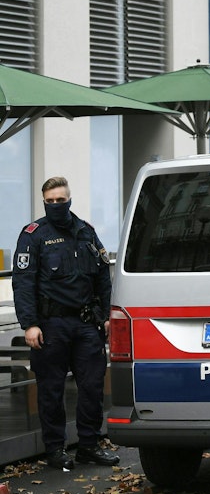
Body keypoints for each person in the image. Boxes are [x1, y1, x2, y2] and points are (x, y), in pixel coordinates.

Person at [12, 177, 120, 470]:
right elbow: (23, 283)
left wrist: (106, 317)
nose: (57, 205)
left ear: (70, 199)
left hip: (87, 325)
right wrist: (29, 324)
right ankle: (55, 449)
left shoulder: (86, 232)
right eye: (51, 201)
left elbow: (102, 278)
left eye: (61, 200)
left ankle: (88, 445)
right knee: (51, 390)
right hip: (50, 325)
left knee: (92, 388)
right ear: (44, 202)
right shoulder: (33, 235)